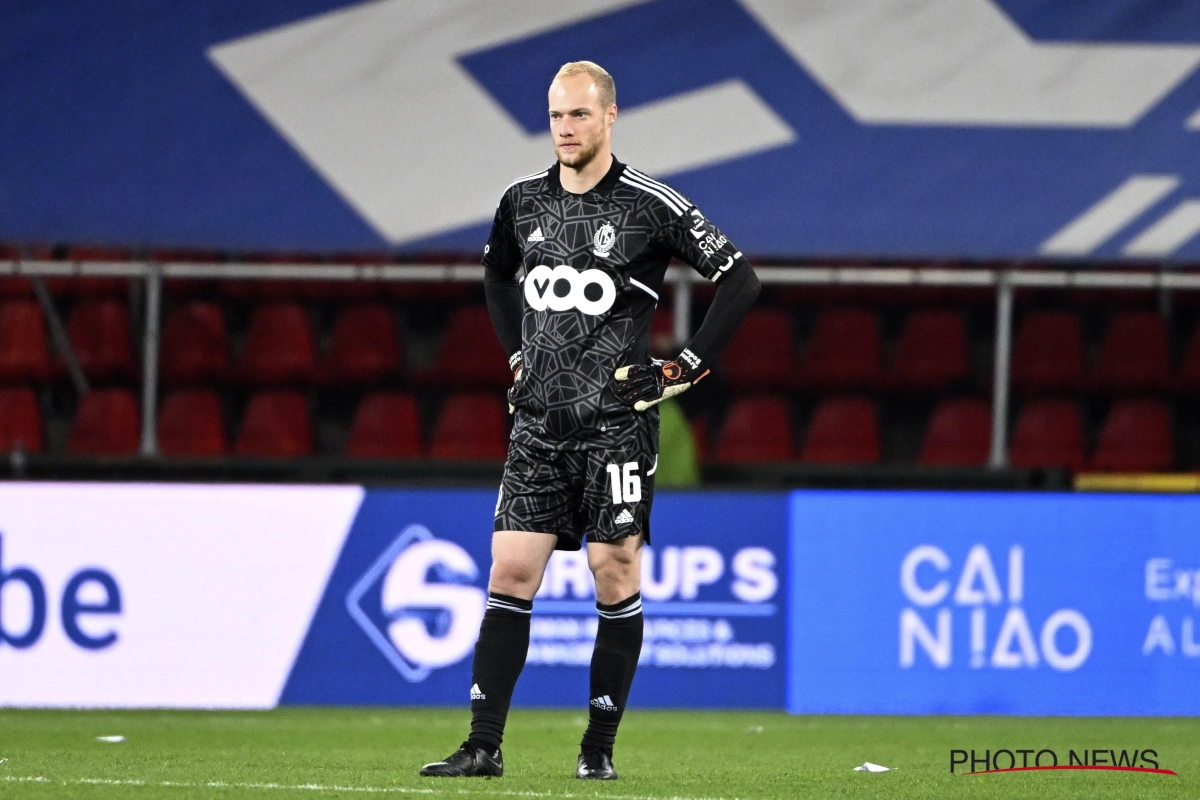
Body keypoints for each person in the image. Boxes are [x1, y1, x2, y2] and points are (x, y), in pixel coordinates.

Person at [420, 60, 760, 781]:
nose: (565, 129)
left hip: (615, 424)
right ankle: (483, 745)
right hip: (538, 423)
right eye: (554, 116)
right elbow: (495, 274)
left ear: (610, 116)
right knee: (511, 570)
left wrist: (686, 366)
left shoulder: (650, 203)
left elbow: (739, 279)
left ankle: (597, 749)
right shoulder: (520, 201)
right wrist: (517, 358)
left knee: (614, 571)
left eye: (578, 115)